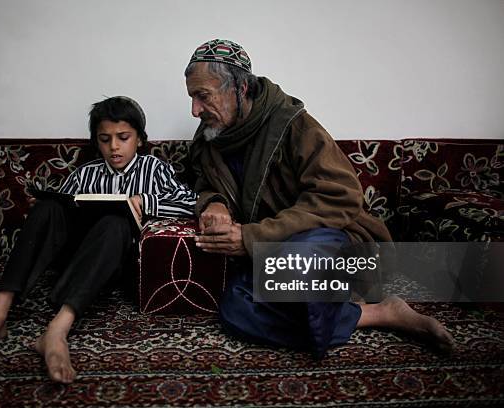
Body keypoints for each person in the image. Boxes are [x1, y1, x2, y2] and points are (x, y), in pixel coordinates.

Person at [185, 39, 454, 357]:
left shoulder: (295, 126)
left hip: (335, 242)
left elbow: (340, 198)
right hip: (270, 255)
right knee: (235, 310)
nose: (194, 111)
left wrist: (251, 236)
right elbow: (200, 182)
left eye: (203, 97)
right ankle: (379, 313)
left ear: (240, 88)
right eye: (191, 98)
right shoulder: (209, 139)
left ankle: (329, 304)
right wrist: (214, 202)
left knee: (299, 263)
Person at [0, 96, 197, 383]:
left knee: (115, 221)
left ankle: (57, 330)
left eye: (123, 137)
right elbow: (62, 211)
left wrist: (145, 202)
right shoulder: (86, 173)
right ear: (96, 141)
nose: (114, 147)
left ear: (139, 139)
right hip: (75, 255)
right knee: (48, 206)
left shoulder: (154, 169)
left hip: (114, 261)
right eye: (105, 139)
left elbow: (191, 203)